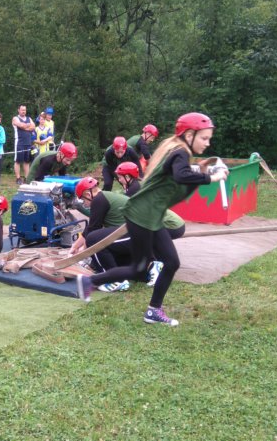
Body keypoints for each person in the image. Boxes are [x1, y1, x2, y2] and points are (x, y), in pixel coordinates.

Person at [77, 112, 228, 327]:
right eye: (204, 138)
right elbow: (182, 176)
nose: (207, 143)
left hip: (151, 215)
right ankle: (91, 282)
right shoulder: (180, 152)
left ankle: (152, 310)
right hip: (143, 215)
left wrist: (202, 168)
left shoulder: (176, 151)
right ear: (189, 135)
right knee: (141, 268)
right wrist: (213, 176)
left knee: (167, 263)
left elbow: (182, 175)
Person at [70, 176, 131, 292]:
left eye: (83, 200)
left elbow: (93, 231)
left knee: (94, 239)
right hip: (135, 236)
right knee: (97, 242)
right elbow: (91, 226)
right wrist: (75, 246)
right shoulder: (105, 196)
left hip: (132, 235)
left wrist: (82, 253)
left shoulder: (98, 200)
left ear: (88, 194)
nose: (85, 204)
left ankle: (114, 280)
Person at [12, 104, 35, 184]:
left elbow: (33, 127)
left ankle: (26, 178)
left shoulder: (29, 118)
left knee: (27, 161)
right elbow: (20, 125)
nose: (23, 111)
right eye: (22, 110)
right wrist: (27, 126)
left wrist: (25, 126)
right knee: (18, 161)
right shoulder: (15, 118)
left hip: (28, 142)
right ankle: (18, 178)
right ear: (18, 110)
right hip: (19, 142)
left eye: (24, 110)